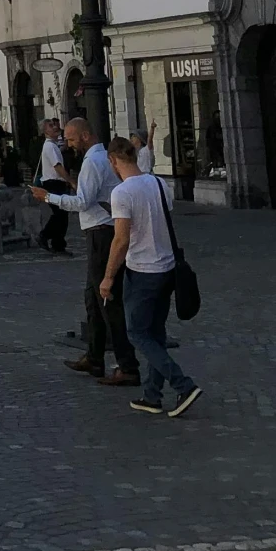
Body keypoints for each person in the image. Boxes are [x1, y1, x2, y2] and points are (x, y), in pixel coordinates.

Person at [30, 116, 138, 386]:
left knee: (106, 298)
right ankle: (95, 355)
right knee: (93, 298)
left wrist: (48, 197)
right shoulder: (100, 159)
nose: (68, 143)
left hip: (101, 232)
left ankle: (127, 364)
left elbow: (82, 201)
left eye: (71, 138)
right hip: (101, 230)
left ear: (86, 136)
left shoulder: (92, 162)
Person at [103, 134, 200, 418]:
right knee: (155, 333)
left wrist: (108, 277)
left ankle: (182, 383)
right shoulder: (159, 183)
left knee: (137, 332)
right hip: (167, 267)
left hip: (142, 270)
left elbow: (120, 240)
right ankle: (152, 395)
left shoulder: (122, 193)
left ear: (113, 160)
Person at [35, 120, 72, 255]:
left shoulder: (53, 145)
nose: (56, 127)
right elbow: (57, 166)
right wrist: (70, 180)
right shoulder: (50, 146)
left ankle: (58, 244)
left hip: (55, 182)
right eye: (51, 126)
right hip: (54, 183)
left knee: (62, 214)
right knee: (60, 213)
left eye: (54, 125)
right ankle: (45, 236)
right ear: (45, 131)